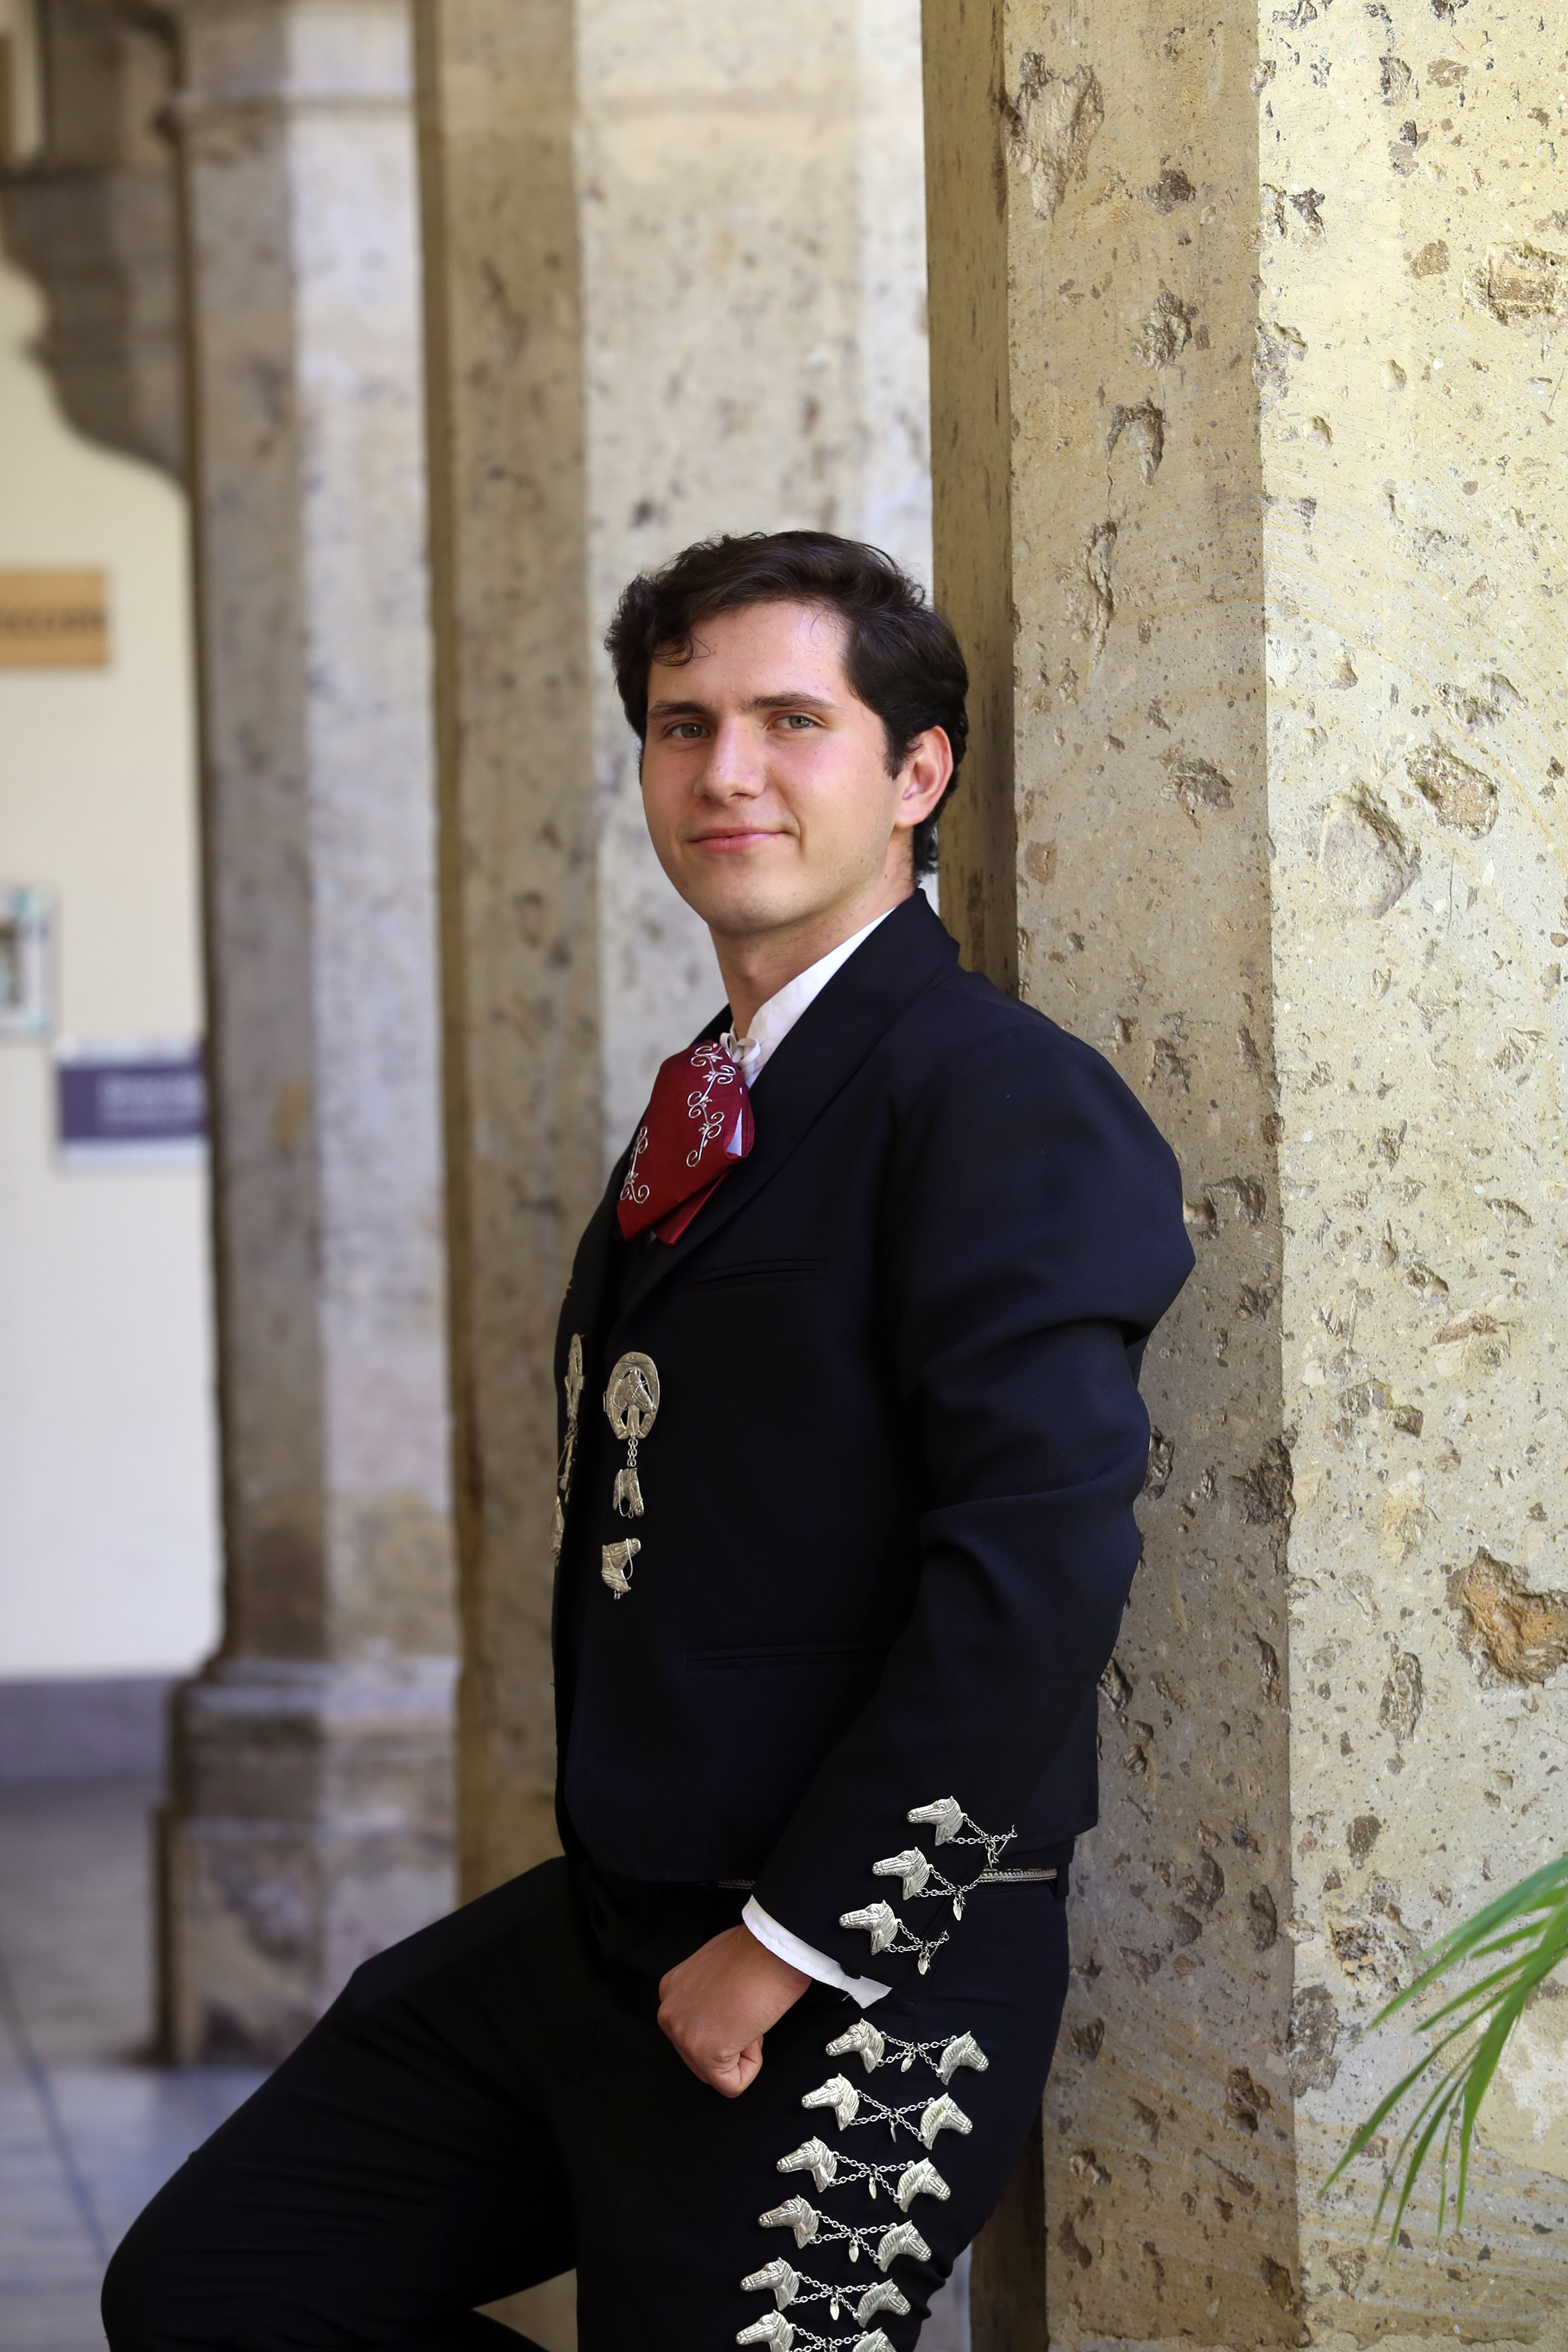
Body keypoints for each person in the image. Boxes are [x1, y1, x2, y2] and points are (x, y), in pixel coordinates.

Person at [104, 532, 1192, 2352]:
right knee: (219, 2286)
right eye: (683, 727)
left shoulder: (1002, 1101)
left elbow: (1036, 1571)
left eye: (791, 721)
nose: (726, 771)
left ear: (916, 772)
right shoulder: (719, 1080)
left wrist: (787, 1944)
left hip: (847, 1975)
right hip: (612, 1927)